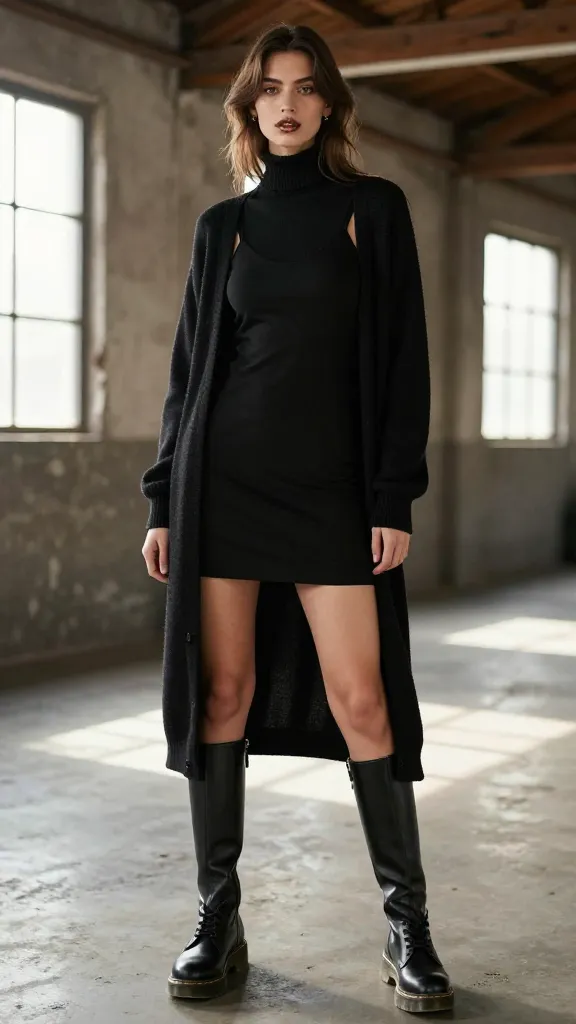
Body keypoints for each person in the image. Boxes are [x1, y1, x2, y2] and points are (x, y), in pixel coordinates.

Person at [141, 22, 454, 1015]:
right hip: (222, 486)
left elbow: (405, 359)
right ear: (249, 108)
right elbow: (190, 375)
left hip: (329, 493)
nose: (286, 103)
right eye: (269, 88)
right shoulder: (220, 230)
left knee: (364, 699)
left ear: (328, 105)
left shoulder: (374, 211)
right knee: (222, 692)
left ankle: (408, 926)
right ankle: (217, 916)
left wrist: (391, 491)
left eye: (304, 88)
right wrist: (161, 497)